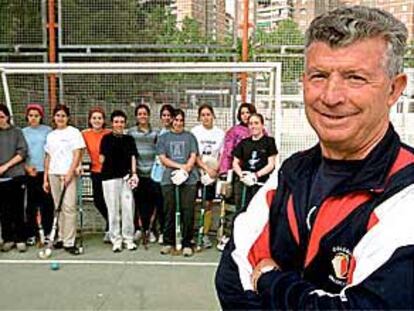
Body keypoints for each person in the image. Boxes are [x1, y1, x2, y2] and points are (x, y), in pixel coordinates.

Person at [215, 6, 414, 309]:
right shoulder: (290, 173)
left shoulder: (406, 192)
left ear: (394, 89)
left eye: (355, 78)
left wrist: (270, 281)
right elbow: (231, 277)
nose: (331, 96)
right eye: (319, 76)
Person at [156, 109, 199, 257]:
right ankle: (168, 242)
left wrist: (186, 168)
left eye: (181, 120)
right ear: (171, 121)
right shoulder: (164, 138)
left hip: (189, 179)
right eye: (176, 120)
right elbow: (163, 158)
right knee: (169, 210)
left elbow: (193, 155)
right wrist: (179, 167)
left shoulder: (190, 137)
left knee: (188, 211)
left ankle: (187, 243)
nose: (178, 123)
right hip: (170, 178)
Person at [43, 104, 85, 255]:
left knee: (68, 207)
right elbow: (48, 157)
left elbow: (77, 153)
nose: (60, 118)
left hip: (68, 174)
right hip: (53, 174)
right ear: (54, 118)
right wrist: (45, 178)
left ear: (68, 118)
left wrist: (70, 172)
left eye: (63, 116)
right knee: (57, 207)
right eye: (58, 115)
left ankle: (69, 241)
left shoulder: (73, 133)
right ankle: (59, 237)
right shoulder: (51, 135)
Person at [216, 103, 257, 251]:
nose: (245, 116)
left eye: (248, 112)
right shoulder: (234, 131)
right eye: (243, 113)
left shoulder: (259, 130)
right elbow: (227, 152)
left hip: (255, 176)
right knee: (235, 205)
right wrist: (224, 171)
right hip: (237, 174)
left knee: (253, 206)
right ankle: (228, 236)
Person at [100, 110, 138, 252]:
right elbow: (101, 159)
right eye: (116, 122)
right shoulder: (106, 139)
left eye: (122, 122)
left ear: (125, 123)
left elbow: (133, 157)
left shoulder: (129, 139)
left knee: (128, 209)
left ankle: (128, 239)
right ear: (112, 123)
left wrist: (134, 174)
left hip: (126, 179)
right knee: (113, 210)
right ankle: (116, 239)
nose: (119, 124)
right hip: (109, 179)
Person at [191, 104, 224, 248]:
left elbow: (222, 156)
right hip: (196, 171)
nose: (206, 117)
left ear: (213, 116)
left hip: (212, 173)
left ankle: (204, 234)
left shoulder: (220, 134)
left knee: (208, 203)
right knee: (190, 202)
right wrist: (203, 168)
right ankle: (190, 233)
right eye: (203, 115)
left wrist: (213, 172)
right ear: (199, 117)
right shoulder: (195, 132)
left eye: (208, 114)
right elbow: (194, 154)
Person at [127, 104, 161, 244]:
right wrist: (132, 171)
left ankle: (151, 229)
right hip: (137, 173)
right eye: (140, 114)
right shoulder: (131, 132)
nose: (142, 116)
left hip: (152, 173)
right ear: (136, 116)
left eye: (145, 114)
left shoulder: (156, 133)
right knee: (139, 202)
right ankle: (140, 229)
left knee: (153, 202)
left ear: (148, 116)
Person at [22, 103, 53, 246]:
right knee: (31, 205)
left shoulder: (48, 131)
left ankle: (48, 232)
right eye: (31, 116)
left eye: (36, 115)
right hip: (30, 173)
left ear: (41, 117)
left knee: (47, 203)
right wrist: (27, 167)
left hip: (45, 172)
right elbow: (19, 153)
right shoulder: (22, 132)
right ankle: (31, 233)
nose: (33, 118)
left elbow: (50, 152)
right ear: (27, 117)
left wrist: (46, 171)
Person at [232, 113, 277, 211]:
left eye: (256, 123)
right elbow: (235, 163)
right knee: (241, 210)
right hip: (244, 182)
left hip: (260, 183)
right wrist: (242, 176)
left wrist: (255, 176)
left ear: (262, 125)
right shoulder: (243, 143)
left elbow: (271, 164)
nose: (253, 126)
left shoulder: (269, 142)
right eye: (251, 124)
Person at [0, 104, 28, 252]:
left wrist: (6, 166)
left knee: (18, 208)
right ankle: (8, 238)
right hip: (1, 180)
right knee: (4, 210)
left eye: (2, 117)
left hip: (16, 176)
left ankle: (20, 239)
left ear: (7, 117)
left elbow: (22, 152)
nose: (0, 120)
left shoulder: (17, 132)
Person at [82, 107, 111, 243]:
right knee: (98, 201)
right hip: (95, 171)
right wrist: (78, 165)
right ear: (90, 120)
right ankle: (112, 222)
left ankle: (110, 228)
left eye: (99, 118)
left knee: (110, 201)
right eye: (94, 118)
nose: (97, 120)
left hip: (110, 172)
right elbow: (79, 150)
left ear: (103, 120)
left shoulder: (109, 133)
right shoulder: (85, 134)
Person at [150, 103, 175, 244]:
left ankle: (169, 231)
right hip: (157, 174)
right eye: (164, 115)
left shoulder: (177, 134)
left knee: (169, 205)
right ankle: (160, 231)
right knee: (159, 204)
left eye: (169, 116)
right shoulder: (158, 134)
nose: (166, 118)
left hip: (171, 174)